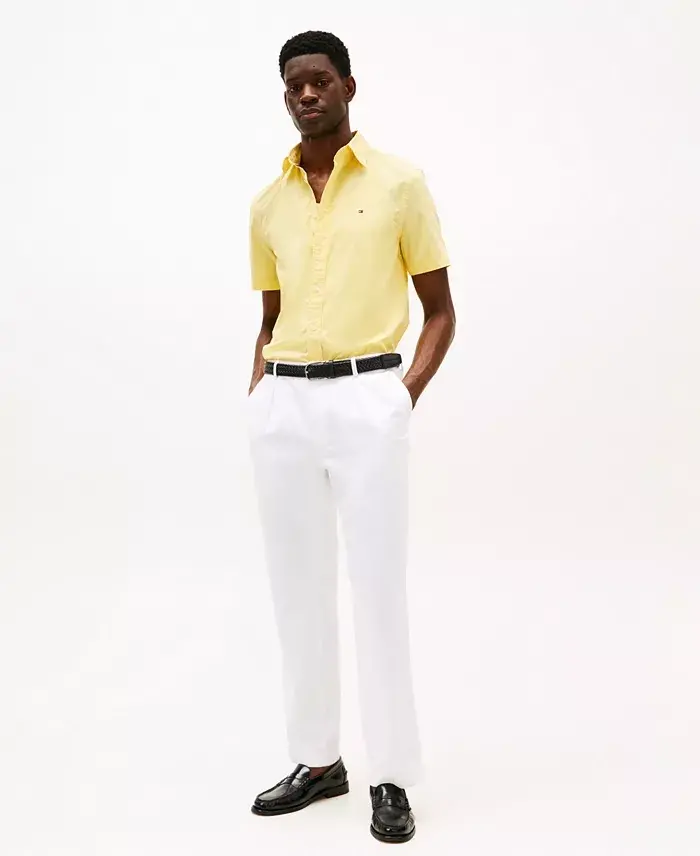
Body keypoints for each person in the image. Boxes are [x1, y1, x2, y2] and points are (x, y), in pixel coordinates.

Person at [245, 30, 456, 844]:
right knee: (296, 590)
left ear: (348, 87)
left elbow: (440, 311)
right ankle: (317, 759)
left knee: (376, 589)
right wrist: (259, 395)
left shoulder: (400, 183)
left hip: (369, 398)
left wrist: (401, 397)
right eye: (294, 83)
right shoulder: (268, 203)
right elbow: (268, 316)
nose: (307, 93)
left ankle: (391, 774)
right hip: (284, 407)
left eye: (320, 80)